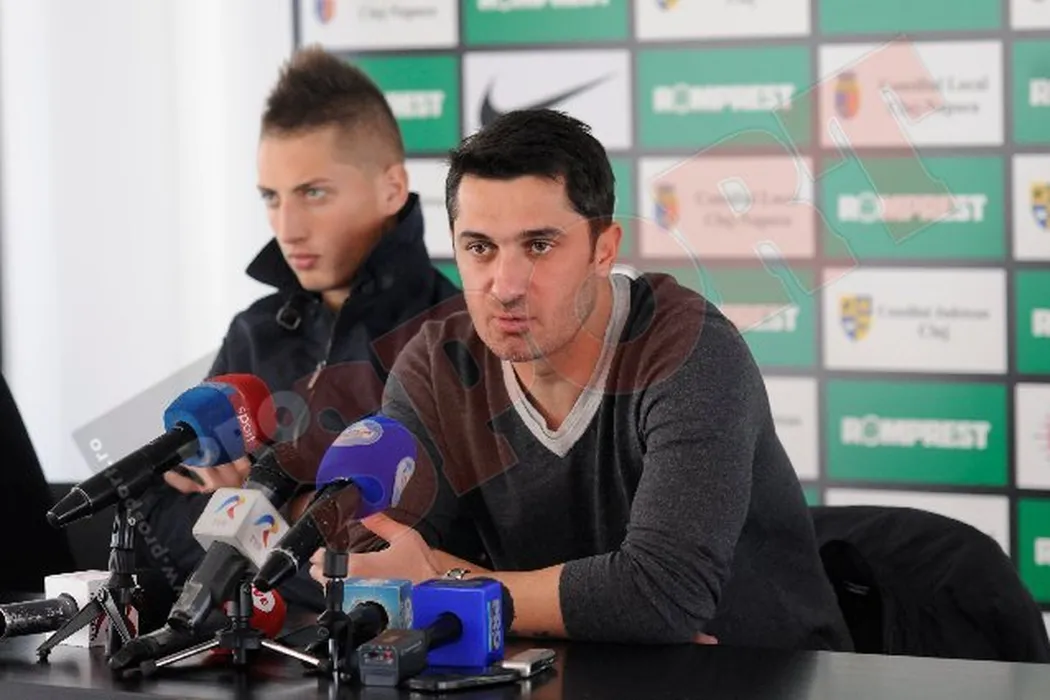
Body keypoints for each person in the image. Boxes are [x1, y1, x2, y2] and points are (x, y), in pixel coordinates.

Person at [308, 108, 854, 650]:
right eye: (480, 248)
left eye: (539, 246)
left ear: (603, 250)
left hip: (764, 673)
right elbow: (375, 556)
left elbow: (662, 595)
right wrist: (607, 611)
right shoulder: (436, 367)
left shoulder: (689, 350)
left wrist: (437, 582)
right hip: (575, 668)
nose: (506, 285)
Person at [136, 46, 462, 609]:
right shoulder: (253, 330)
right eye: (272, 197)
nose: (287, 228)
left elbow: (407, 564)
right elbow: (157, 526)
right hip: (240, 650)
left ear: (391, 188)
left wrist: (249, 512)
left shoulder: (456, 336)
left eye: (314, 193)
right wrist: (300, 519)